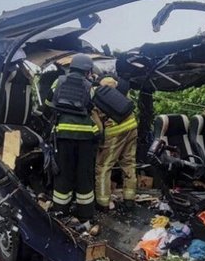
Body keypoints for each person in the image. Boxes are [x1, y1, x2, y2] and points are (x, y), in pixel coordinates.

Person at [46, 54, 100, 221]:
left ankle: (61, 210)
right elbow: (91, 107)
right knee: (84, 174)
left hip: (63, 135)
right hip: (85, 137)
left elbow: (48, 104)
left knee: (63, 174)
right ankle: (85, 214)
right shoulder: (89, 86)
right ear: (87, 70)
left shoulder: (58, 82)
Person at [94, 76, 138, 213]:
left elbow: (99, 128)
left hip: (114, 132)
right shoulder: (122, 92)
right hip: (132, 126)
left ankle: (103, 203)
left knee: (104, 167)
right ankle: (129, 200)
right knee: (129, 163)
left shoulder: (97, 97)